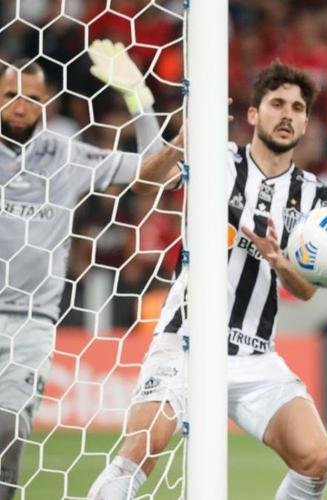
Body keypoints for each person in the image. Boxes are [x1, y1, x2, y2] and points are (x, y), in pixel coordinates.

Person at [88, 61, 327, 499]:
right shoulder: (216, 159)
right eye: (276, 103)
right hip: (186, 340)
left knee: (315, 459)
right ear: (254, 114)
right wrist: (181, 144)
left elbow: (307, 288)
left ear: (306, 121)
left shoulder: (316, 195)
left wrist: (280, 263)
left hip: (256, 355)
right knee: (142, 447)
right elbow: (146, 184)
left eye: (297, 107)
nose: (287, 114)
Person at [0, 41, 174, 499]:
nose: (22, 105)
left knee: (7, 429)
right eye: (10, 95)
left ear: (48, 102)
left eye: (33, 97)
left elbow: (156, 173)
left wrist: (140, 98)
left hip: (30, 323)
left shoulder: (66, 155)